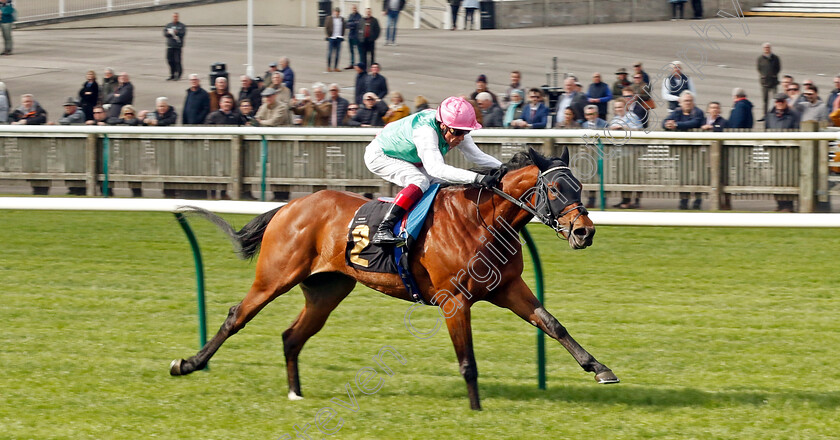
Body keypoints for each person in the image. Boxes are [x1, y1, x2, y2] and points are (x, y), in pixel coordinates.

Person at [363, 96, 501, 245]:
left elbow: (476, 155)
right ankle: (383, 228)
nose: (461, 137)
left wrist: (504, 168)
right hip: (380, 155)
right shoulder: (426, 132)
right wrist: (477, 178)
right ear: (443, 126)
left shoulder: (454, 126)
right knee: (419, 181)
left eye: (466, 132)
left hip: (408, 157)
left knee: (444, 184)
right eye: (458, 132)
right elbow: (436, 168)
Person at [663, 91, 704, 210]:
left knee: (698, 176)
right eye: (686, 101)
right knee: (682, 175)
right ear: (680, 102)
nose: (688, 103)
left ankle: (697, 200)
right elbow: (664, 122)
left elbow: (694, 123)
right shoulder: (676, 112)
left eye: (690, 101)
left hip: (697, 151)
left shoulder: (698, 112)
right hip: (681, 151)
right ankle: (684, 200)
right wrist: (668, 124)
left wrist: (676, 125)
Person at [757, 42, 781, 121]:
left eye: (768, 47)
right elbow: (759, 68)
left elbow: (778, 68)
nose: (766, 49)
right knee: (765, 100)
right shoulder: (760, 58)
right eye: (765, 48)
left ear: (770, 48)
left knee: (775, 99)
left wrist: (774, 74)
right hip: (765, 82)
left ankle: (776, 114)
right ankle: (765, 115)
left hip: (773, 82)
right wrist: (763, 75)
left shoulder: (775, 58)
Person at [164, 13, 186, 81]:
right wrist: (168, 33)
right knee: (170, 60)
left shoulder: (181, 26)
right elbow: (165, 33)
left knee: (177, 61)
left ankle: (178, 75)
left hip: (177, 46)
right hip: (170, 46)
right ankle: (172, 74)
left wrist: (177, 32)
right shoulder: (169, 25)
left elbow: (183, 33)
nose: (175, 18)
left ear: (178, 17)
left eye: (176, 16)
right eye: (174, 16)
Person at [325, 7, 345, 72]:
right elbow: (326, 27)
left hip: (339, 38)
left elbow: (343, 27)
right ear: (333, 12)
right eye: (336, 12)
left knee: (337, 54)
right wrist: (328, 35)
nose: (337, 13)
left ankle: (336, 67)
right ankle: (328, 67)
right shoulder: (329, 18)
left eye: (338, 12)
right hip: (332, 38)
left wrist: (342, 35)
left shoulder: (341, 19)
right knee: (330, 53)